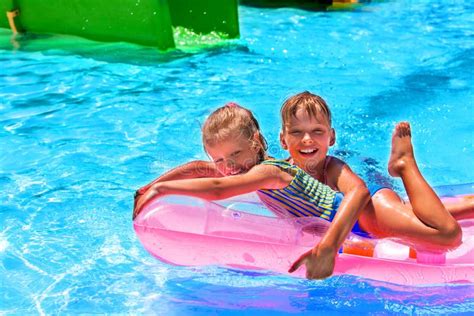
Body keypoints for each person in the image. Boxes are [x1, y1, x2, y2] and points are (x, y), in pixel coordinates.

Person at [133, 102, 366, 279]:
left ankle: (404, 165)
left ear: (255, 142)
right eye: (220, 159)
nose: (229, 166)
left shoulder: (267, 173)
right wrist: (146, 188)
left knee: (401, 226)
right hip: (326, 215)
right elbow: (198, 170)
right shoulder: (243, 168)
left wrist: (161, 189)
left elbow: (217, 188)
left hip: (356, 216)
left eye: (235, 154)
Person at [279, 91, 473, 277]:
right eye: (296, 132)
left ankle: (404, 164)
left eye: (317, 131)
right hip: (371, 206)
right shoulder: (275, 171)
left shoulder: (333, 168)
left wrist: (329, 245)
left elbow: (359, 191)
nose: (307, 139)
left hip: (370, 203)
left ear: (331, 137)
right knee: (414, 216)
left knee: (447, 235)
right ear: (283, 140)